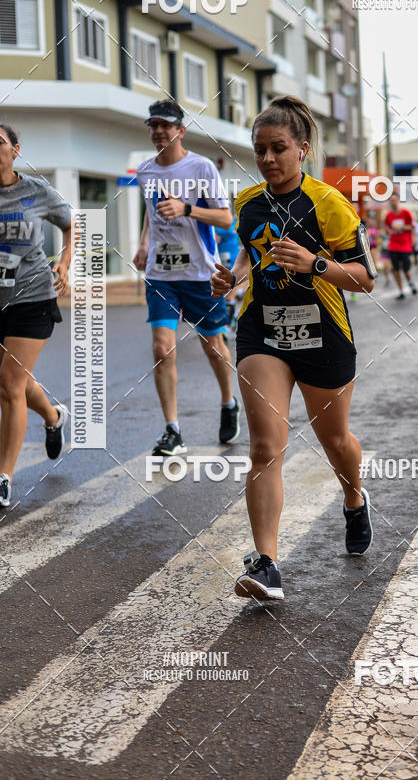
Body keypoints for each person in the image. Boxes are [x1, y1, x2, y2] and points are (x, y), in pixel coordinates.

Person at [211, 95, 376, 601]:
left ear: (302, 149)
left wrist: (315, 264)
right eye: (259, 150)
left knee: (336, 442)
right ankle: (267, 565)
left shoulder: (330, 204)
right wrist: (234, 277)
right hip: (262, 330)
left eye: (278, 148)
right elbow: (250, 249)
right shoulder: (248, 202)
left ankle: (352, 496)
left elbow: (366, 278)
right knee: (265, 446)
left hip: (324, 333)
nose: (267, 159)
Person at [133, 99, 239, 454]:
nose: (159, 130)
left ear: (181, 129)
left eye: (166, 125)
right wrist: (145, 242)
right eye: (153, 125)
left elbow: (226, 219)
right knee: (162, 349)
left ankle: (228, 402)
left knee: (213, 348)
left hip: (199, 274)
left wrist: (188, 209)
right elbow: (152, 212)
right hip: (161, 274)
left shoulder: (201, 167)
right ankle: (173, 430)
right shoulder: (146, 171)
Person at [0, 123, 72, 508]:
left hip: (32, 298)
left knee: (9, 385)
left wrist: (65, 262)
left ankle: (3, 477)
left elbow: (70, 224)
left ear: (16, 149)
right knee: (15, 379)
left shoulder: (36, 191)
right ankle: (53, 415)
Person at [385, 193, 417, 299]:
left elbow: (413, 227)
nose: (392, 202)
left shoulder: (406, 213)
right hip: (393, 245)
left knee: (406, 269)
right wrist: (388, 231)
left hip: (405, 245)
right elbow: (387, 228)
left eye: (394, 200)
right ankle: (401, 290)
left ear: (398, 200)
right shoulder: (388, 215)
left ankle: (410, 282)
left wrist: (401, 227)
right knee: (395, 269)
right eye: (391, 200)